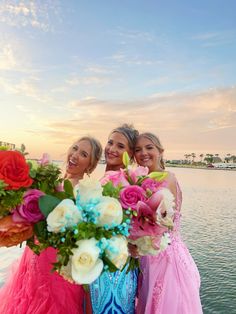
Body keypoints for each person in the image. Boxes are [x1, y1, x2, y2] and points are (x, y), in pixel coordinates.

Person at [0, 136, 102, 314]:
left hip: (56, 263)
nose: (76, 155)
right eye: (75, 148)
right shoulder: (53, 181)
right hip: (35, 255)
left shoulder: (83, 191)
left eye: (84, 154)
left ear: (91, 166)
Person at [134, 132, 203, 314]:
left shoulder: (167, 178)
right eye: (138, 149)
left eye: (149, 148)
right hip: (146, 256)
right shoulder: (138, 182)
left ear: (160, 151)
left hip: (166, 258)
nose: (144, 153)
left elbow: (161, 223)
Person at [89, 124, 139, 314]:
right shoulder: (117, 178)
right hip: (112, 263)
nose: (112, 149)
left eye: (120, 146)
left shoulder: (119, 180)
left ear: (130, 154)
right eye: (110, 143)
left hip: (112, 269)